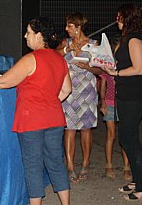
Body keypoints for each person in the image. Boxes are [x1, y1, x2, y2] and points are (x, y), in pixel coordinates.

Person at [0, 17, 72, 205]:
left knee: (33, 166)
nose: (25, 36)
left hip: (32, 120)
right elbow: (67, 89)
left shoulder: (31, 59)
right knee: (56, 163)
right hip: (54, 119)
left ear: (39, 35)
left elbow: (4, 81)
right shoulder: (59, 59)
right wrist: (48, 101)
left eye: (28, 32)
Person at [101, 3, 142, 201]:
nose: (117, 19)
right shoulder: (125, 39)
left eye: (120, 16)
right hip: (125, 94)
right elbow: (123, 63)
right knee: (127, 138)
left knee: (129, 139)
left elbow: (139, 69)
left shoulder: (133, 39)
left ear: (128, 18)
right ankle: (138, 180)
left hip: (135, 95)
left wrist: (116, 73)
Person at [57, 12, 102, 183]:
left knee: (86, 128)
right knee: (69, 128)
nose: (66, 29)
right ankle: (70, 166)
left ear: (78, 27)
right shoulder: (65, 42)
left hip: (87, 90)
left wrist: (88, 67)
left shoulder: (93, 45)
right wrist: (68, 49)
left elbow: (101, 69)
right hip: (69, 90)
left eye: (69, 25)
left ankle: (85, 162)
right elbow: (54, 55)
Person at [99, 71, 131, 180]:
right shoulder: (107, 69)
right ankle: (108, 165)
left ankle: (127, 166)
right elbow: (103, 87)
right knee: (111, 135)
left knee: (125, 134)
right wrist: (103, 102)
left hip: (124, 103)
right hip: (110, 104)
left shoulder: (127, 68)